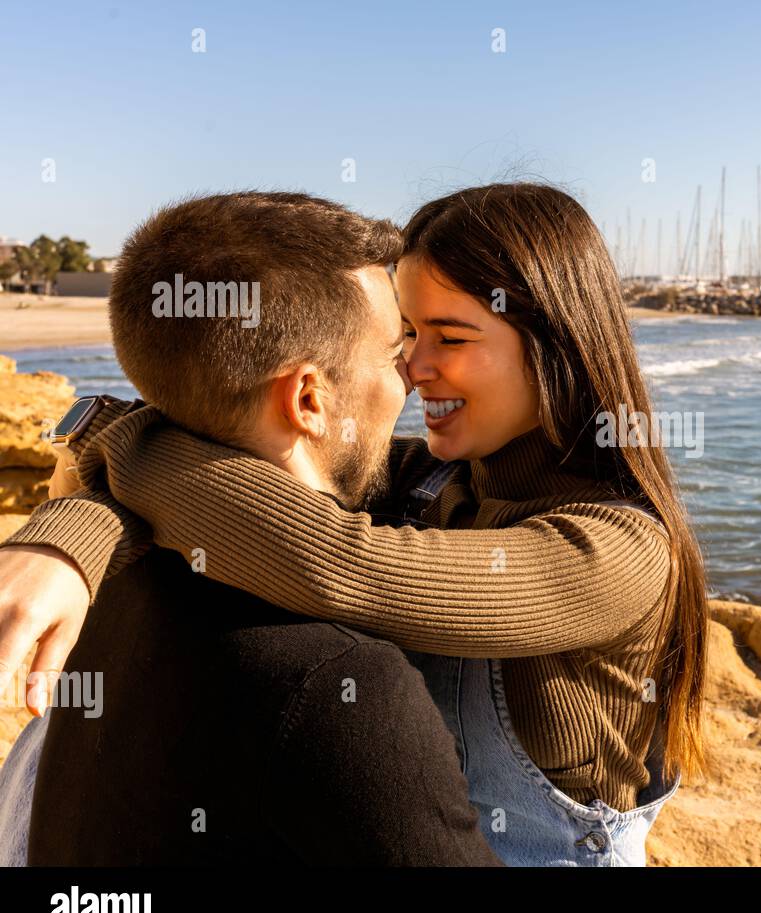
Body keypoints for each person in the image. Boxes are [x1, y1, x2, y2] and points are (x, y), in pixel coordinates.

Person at [0, 183, 713, 866]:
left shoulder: (619, 551)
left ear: (555, 348)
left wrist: (95, 477)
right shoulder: (433, 477)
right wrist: (69, 538)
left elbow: (344, 568)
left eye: (450, 338)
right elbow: (227, 437)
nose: (414, 367)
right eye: (406, 334)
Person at [0, 192, 502, 865]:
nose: (412, 374)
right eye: (393, 352)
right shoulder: (343, 687)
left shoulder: (105, 581)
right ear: (307, 399)